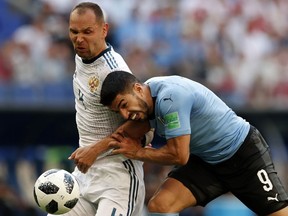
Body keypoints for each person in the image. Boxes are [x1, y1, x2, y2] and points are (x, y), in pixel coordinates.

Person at [100, 71, 288, 216]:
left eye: (124, 105)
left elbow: (179, 156)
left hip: (243, 154)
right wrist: (91, 152)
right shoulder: (146, 100)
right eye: (119, 111)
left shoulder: (170, 98)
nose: (125, 115)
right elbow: (123, 134)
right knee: (161, 205)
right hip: (205, 161)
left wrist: (138, 153)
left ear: (138, 89)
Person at [51, 3, 147, 216]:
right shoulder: (81, 55)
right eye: (74, 32)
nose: (79, 39)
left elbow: (145, 124)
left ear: (104, 30)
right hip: (84, 174)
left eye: (87, 32)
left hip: (117, 178)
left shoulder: (114, 71)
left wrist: (96, 149)